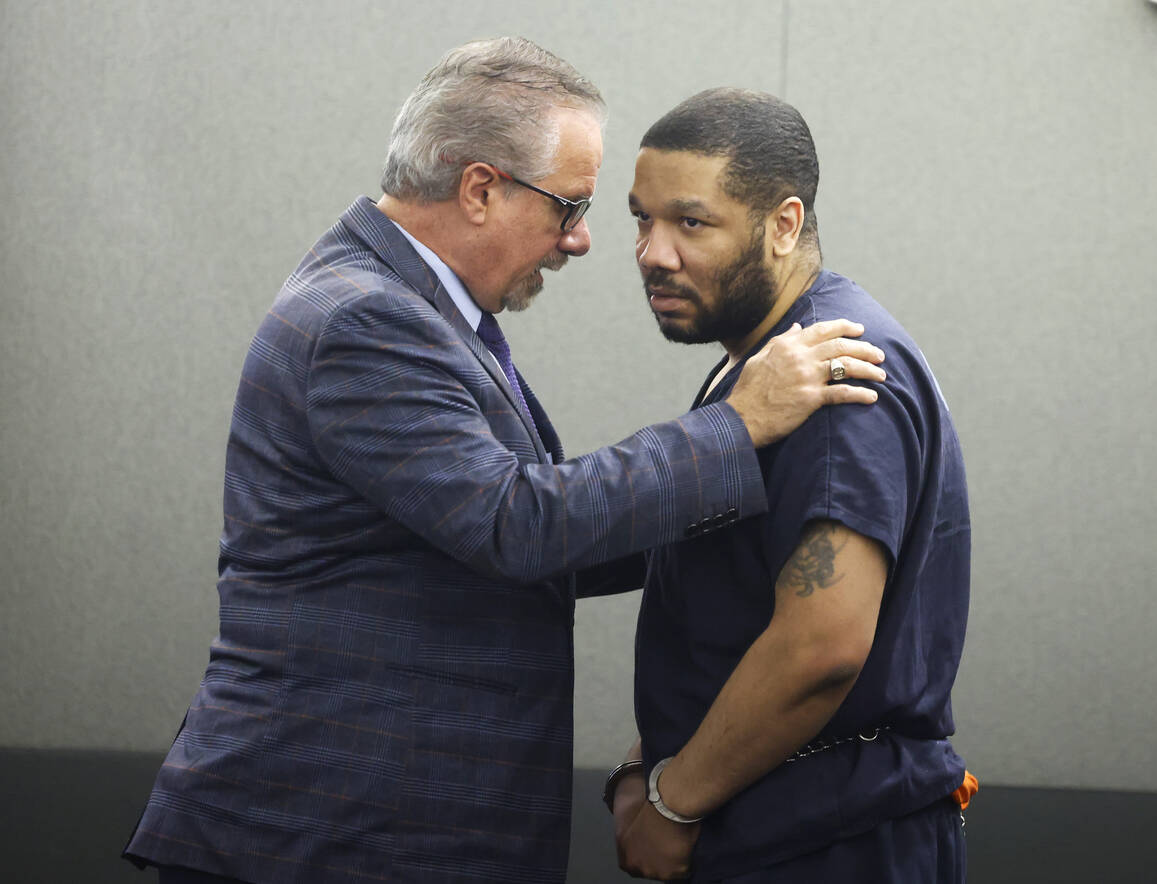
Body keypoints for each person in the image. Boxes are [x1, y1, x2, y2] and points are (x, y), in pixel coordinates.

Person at [121, 41, 886, 884]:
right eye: (571, 207)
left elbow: (538, 537)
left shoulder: (405, 309)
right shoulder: (365, 321)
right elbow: (515, 524)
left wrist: (761, 482)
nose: (585, 242)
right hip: (326, 838)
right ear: (481, 187)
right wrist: (739, 428)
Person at [608, 88, 974, 882]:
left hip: (829, 841)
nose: (652, 252)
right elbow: (729, 604)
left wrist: (673, 806)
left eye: (690, 222)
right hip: (770, 826)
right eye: (641, 218)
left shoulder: (835, 375)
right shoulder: (761, 369)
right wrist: (648, 765)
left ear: (783, 223)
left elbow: (822, 645)